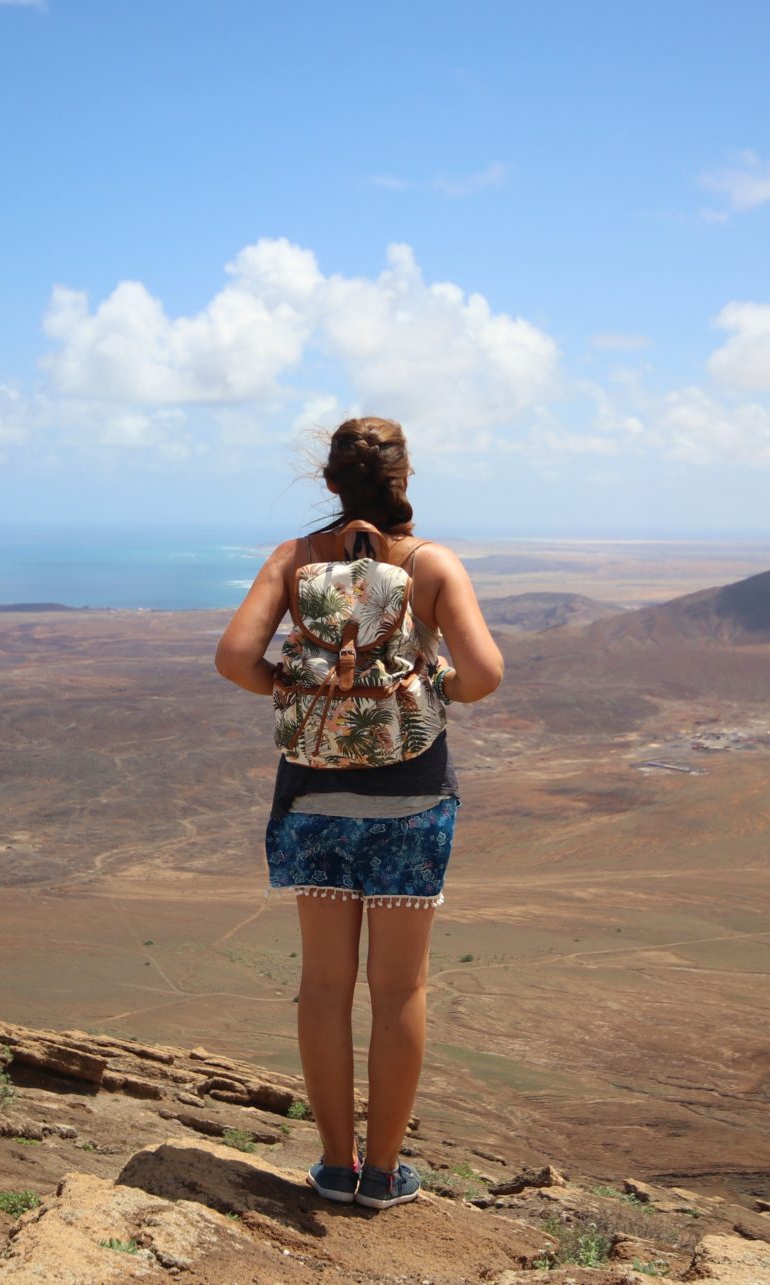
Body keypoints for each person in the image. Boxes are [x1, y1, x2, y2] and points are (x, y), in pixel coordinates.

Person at [214, 416, 504, 1211]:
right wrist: (430, 682)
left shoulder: (295, 559)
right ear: (404, 481)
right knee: (400, 988)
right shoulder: (432, 564)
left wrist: (301, 691)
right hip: (412, 800)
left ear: (330, 482)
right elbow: (484, 674)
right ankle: (382, 1176)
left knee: (323, 985)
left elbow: (235, 657)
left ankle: (333, 1167)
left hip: (313, 793)